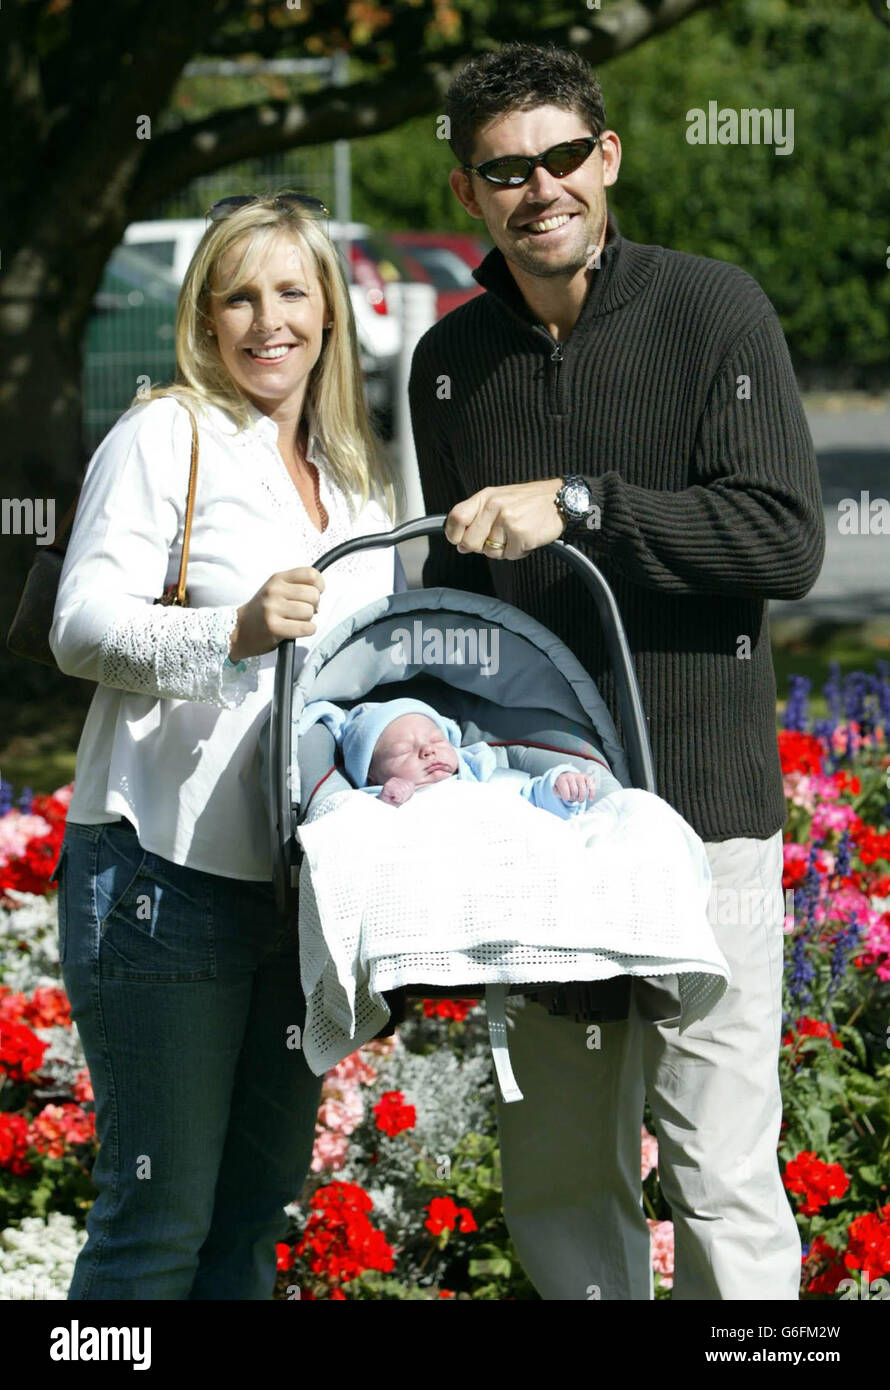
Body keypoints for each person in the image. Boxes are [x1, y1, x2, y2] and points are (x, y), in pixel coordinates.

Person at [408, 43, 826, 1300]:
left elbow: (786, 538)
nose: (538, 188)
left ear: (608, 158)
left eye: (560, 156)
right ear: (466, 195)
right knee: (553, 1173)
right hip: (536, 836)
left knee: (720, 1174)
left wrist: (583, 505)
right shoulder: (445, 362)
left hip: (704, 820)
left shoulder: (714, 311)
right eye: (503, 169)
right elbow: (460, 603)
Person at [47, 190, 406, 1299]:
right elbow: (79, 626)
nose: (267, 321)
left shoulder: (354, 485)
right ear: (204, 322)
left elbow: (370, 679)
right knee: (153, 1227)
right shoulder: (167, 435)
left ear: (330, 316)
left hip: (300, 893)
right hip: (162, 880)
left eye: (291, 292)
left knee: (251, 1225)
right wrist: (234, 631)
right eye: (237, 297)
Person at [296, 695, 613, 814]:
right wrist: (385, 806)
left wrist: (559, 786)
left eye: (435, 738)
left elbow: (529, 797)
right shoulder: (375, 802)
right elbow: (354, 839)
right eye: (405, 749)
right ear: (371, 774)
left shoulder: (485, 778)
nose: (428, 749)